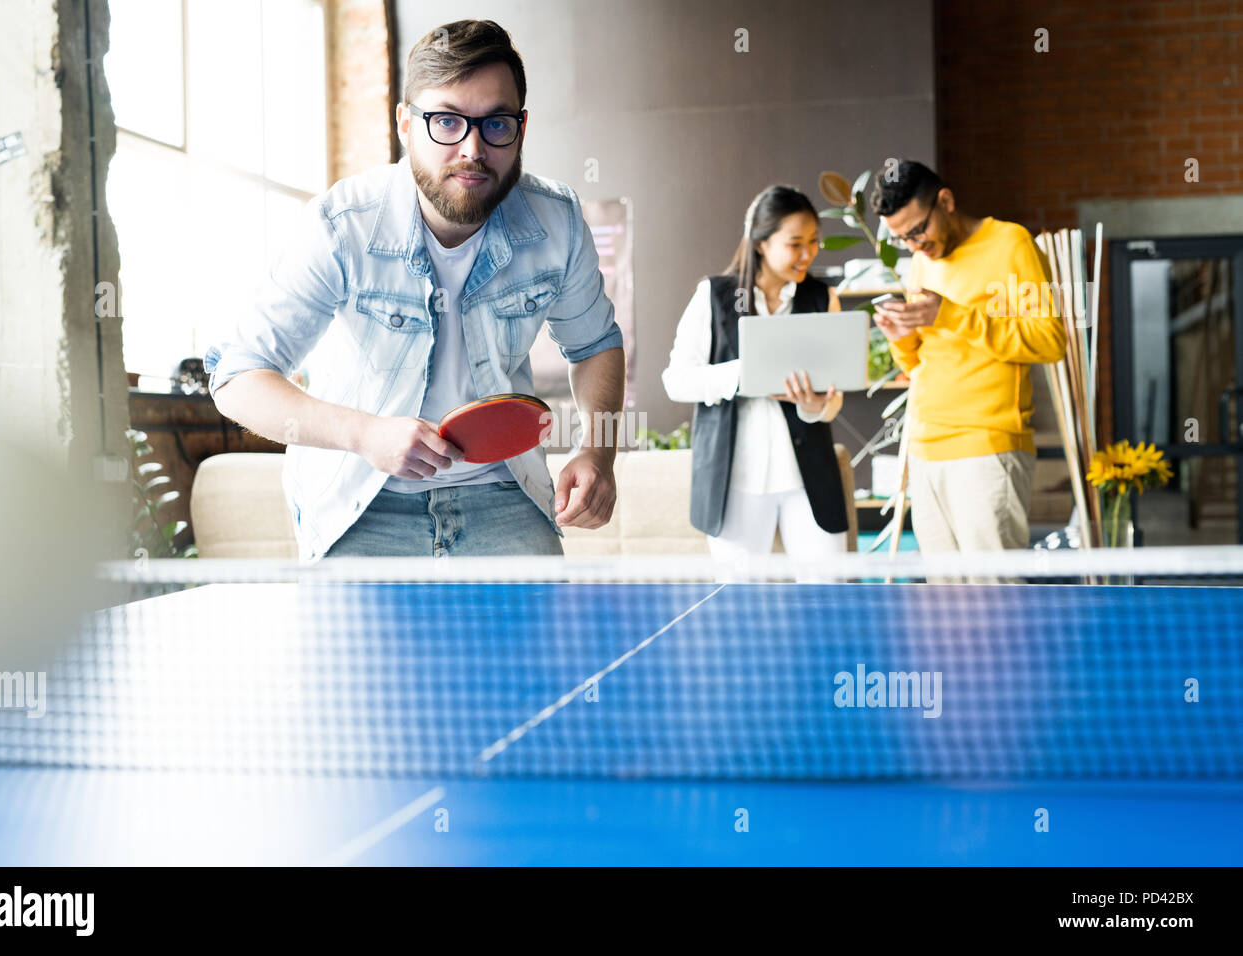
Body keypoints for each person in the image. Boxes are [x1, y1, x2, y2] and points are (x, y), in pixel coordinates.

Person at [205, 20, 625, 561]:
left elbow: (594, 345)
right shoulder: (342, 224)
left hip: (503, 495)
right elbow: (237, 375)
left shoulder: (558, 220)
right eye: (446, 121)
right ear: (406, 124)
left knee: (538, 649)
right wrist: (367, 435)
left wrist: (599, 452)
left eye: (495, 123)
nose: (472, 148)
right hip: (362, 503)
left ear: (521, 127)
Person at [869, 160, 1066, 555]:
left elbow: (1050, 341)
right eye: (901, 239)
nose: (914, 245)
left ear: (946, 200)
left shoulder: (1010, 243)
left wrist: (952, 313)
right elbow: (920, 365)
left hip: (987, 449)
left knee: (995, 599)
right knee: (945, 603)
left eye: (918, 230)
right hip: (925, 451)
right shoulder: (923, 261)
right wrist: (901, 339)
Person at [662, 185, 850, 577]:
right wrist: (743, 374)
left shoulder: (822, 298)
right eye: (795, 243)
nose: (808, 253)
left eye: (814, 242)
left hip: (809, 479)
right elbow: (676, 381)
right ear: (762, 243)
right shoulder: (714, 295)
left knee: (828, 596)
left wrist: (817, 407)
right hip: (735, 482)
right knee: (739, 604)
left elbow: (834, 395)